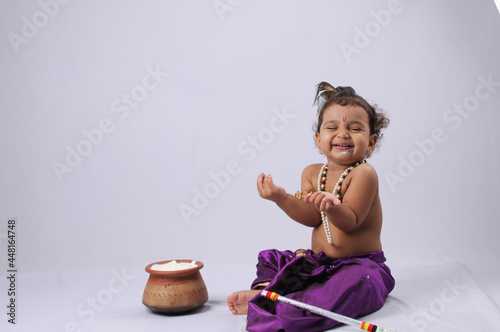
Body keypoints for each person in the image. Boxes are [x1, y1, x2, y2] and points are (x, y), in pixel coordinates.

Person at [226, 82, 395, 332]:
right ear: (319, 139)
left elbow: (351, 221)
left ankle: (288, 304)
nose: (343, 133)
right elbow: (310, 216)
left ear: (370, 142)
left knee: (359, 282)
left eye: (355, 128)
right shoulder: (313, 173)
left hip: (359, 265)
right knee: (272, 259)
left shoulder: (363, 174)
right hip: (319, 263)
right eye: (332, 127)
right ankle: (265, 293)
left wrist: (333, 207)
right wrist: (280, 197)